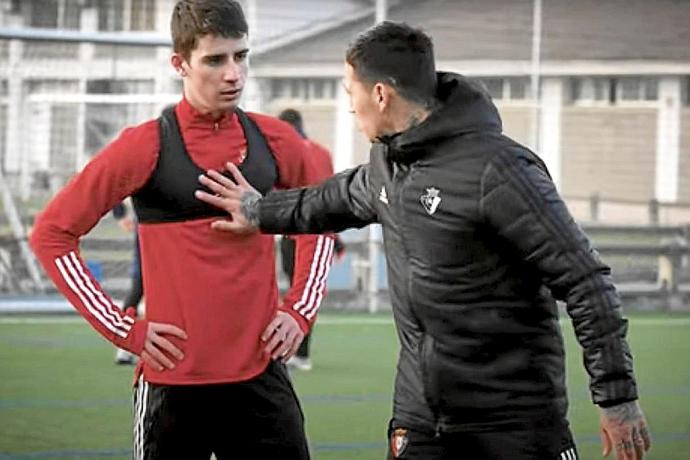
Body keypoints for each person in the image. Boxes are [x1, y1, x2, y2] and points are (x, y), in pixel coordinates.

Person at [196, 21, 652, 460]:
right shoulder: (387, 165)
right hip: (420, 422)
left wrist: (617, 399)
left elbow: (586, 282)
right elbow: (330, 199)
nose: (349, 107)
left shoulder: (499, 170)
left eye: (350, 92)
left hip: (514, 423)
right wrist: (258, 211)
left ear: (380, 93)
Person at [29, 1, 335, 458]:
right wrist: (124, 329)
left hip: (260, 382)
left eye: (241, 56)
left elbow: (322, 220)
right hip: (171, 388)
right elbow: (51, 235)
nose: (233, 74)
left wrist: (299, 312)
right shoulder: (145, 146)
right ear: (180, 64)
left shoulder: (276, 141)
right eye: (215, 59)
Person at [277, 108, 345, 371]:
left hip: (293, 231)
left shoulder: (286, 151)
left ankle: (298, 352)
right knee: (307, 292)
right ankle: (300, 352)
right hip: (319, 232)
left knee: (296, 291)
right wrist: (336, 238)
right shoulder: (321, 152)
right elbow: (331, 195)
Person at [111, 201, 143, 365]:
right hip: (151, 224)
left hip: (179, 227)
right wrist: (120, 213)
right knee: (140, 284)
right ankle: (124, 344)